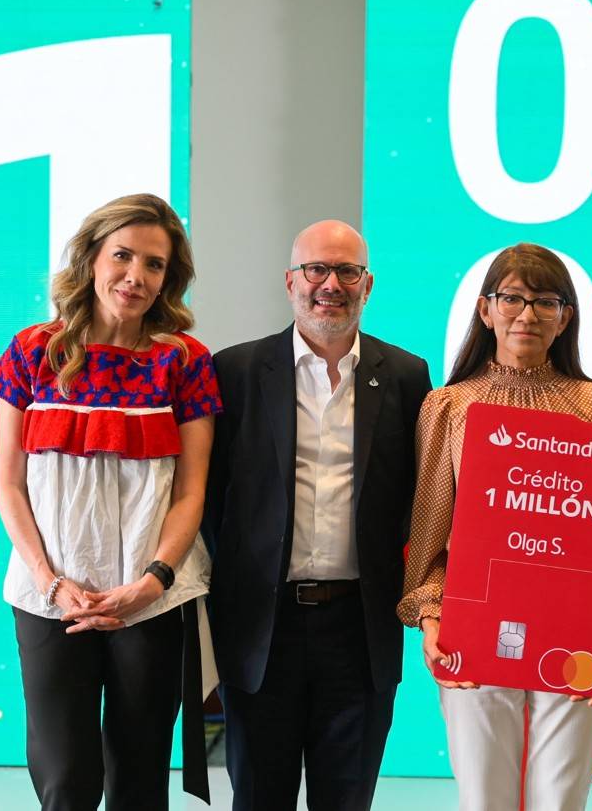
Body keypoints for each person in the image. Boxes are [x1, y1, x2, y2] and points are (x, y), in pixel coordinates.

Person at [0, 193, 220, 810]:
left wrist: (152, 581)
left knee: (140, 778)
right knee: (65, 778)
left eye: (154, 264)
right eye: (122, 256)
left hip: (152, 596)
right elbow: (8, 483)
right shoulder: (32, 352)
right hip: (49, 596)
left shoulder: (185, 362)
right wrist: (49, 581)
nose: (135, 277)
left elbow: (191, 490)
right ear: (91, 258)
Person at [399, 243, 592, 811]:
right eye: (512, 297)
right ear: (486, 310)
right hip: (473, 628)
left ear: (566, 317)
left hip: (576, 629)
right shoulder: (449, 405)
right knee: (484, 800)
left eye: (546, 301)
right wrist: (431, 614)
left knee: (560, 801)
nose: (527, 314)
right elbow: (432, 530)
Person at [201, 219, 432, 810]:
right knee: (259, 798)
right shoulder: (235, 373)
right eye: (316, 270)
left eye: (347, 271)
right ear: (290, 281)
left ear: (368, 285)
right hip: (262, 629)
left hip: (360, 630)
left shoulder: (407, 377)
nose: (331, 284)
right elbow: (208, 500)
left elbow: (420, 496)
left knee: (347, 800)